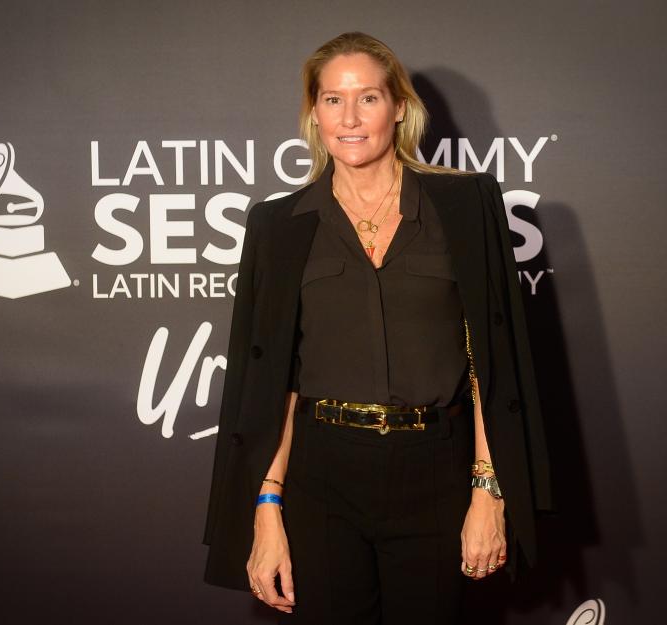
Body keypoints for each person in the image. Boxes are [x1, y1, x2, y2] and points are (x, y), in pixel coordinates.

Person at [203, 32, 552, 624]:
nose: (350, 118)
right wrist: (266, 508)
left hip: (435, 469)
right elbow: (273, 383)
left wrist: (488, 492)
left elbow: (491, 363)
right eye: (333, 100)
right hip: (322, 476)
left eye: (367, 98)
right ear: (314, 113)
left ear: (399, 107)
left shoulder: (465, 206)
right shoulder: (278, 226)